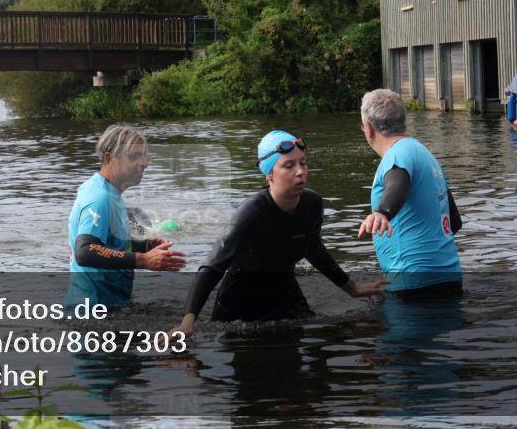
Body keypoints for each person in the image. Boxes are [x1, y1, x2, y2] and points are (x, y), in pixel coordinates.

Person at [172, 130, 386, 336]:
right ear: (270, 174)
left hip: (285, 292)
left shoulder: (312, 204)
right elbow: (213, 265)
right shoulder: (251, 213)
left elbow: (313, 249)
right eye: (289, 165)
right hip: (240, 301)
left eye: (303, 163)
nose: (300, 171)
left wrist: (352, 288)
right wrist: (188, 320)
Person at [67, 123, 186, 309]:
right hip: (93, 313)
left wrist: (145, 246)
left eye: (144, 155)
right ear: (110, 158)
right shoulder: (100, 198)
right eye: (134, 156)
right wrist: (144, 260)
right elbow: (86, 250)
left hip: (107, 306)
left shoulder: (110, 193)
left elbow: (107, 243)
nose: (144, 162)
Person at [357, 89, 462, 297]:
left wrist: (382, 213)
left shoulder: (397, 154)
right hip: (448, 275)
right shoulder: (425, 154)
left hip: (413, 282)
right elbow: (455, 222)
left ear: (369, 128)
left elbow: (397, 183)